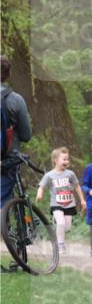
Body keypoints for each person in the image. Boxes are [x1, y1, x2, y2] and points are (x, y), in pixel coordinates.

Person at [36, 146, 85, 255]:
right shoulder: (49, 175)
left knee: (67, 227)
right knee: (61, 223)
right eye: (64, 159)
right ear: (55, 160)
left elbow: (77, 187)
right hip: (56, 204)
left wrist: (82, 200)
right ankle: (60, 245)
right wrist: (39, 194)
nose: (67, 161)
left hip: (69, 204)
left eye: (68, 159)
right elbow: (42, 186)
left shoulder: (70, 174)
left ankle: (56, 223)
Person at [1, 54, 32, 210]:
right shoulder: (15, 99)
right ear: (8, 74)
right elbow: (26, 135)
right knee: (3, 201)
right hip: (7, 160)